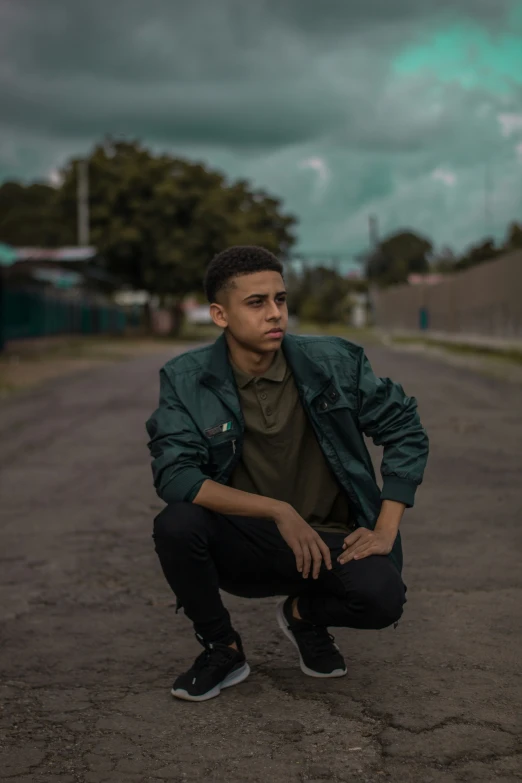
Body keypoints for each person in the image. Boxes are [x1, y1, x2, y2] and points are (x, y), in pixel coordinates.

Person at [146, 246, 429, 702]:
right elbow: (175, 476)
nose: (275, 314)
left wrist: (385, 530)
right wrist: (278, 511)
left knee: (382, 599)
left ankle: (303, 616)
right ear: (219, 314)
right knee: (176, 524)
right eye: (256, 303)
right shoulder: (186, 378)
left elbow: (404, 428)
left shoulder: (334, 361)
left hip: (332, 539)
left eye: (281, 299)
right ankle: (223, 648)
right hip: (246, 543)